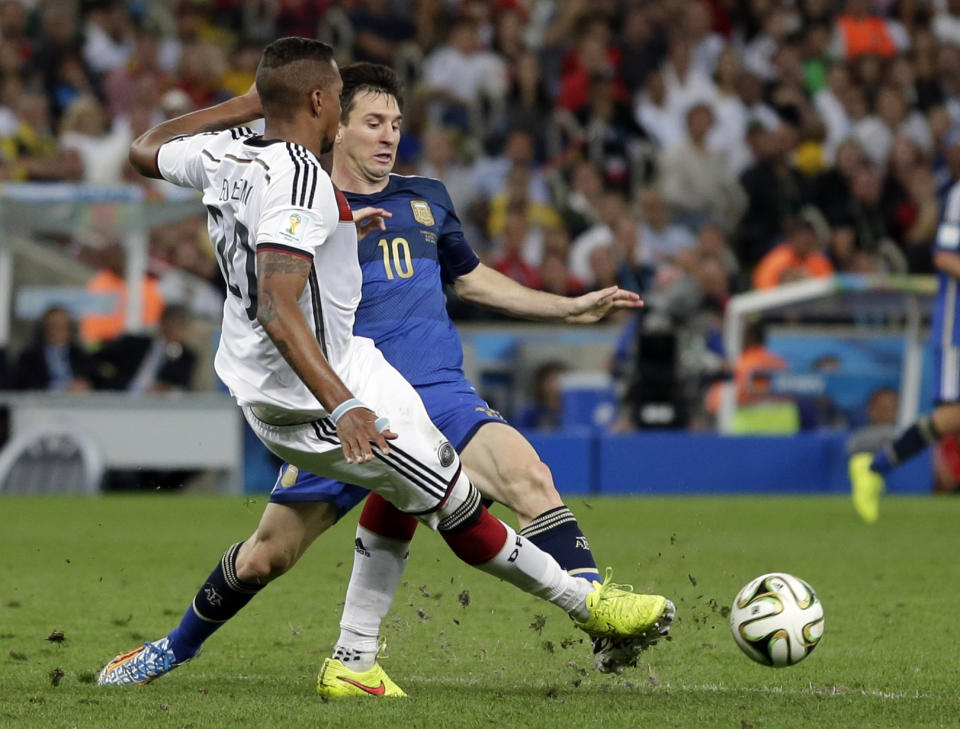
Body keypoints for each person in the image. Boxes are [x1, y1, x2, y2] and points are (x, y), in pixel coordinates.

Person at [97, 39, 674, 692]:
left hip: (410, 387)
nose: (388, 134)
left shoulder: (252, 160)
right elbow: (278, 299)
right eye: (366, 116)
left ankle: (576, 619)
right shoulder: (299, 181)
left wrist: (339, 213)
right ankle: (187, 648)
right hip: (327, 396)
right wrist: (344, 404)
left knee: (507, 476)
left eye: (396, 123)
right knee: (274, 554)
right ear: (328, 114)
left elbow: (147, 150)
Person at [849, 173, 960, 522]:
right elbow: (944, 255)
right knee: (952, 416)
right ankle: (874, 466)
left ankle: (875, 466)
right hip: (956, 327)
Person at [11, 306, 95, 393]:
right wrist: (63, 388)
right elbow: (24, 384)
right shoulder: (29, 356)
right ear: (44, 328)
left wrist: (85, 385)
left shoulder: (80, 355)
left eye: (63, 325)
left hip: (78, 403)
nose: (59, 330)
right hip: (40, 403)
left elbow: (93, 380)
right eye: (54, 325)